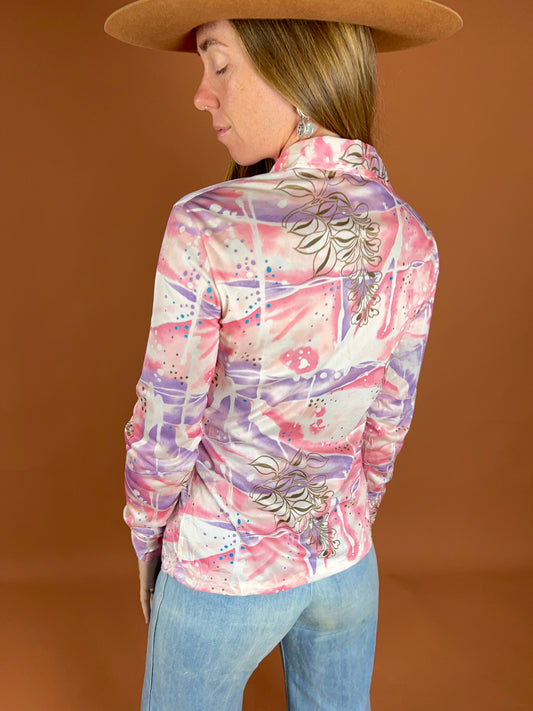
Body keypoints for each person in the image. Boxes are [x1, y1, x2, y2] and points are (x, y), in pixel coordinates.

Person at [104, 2, 462, 710]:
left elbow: (166, 426)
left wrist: (150, 541)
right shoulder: (411, 233)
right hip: (347, 567)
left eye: (219, 65)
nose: (201, 93)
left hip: (223, 571)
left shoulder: (207, 223)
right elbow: (387, 426)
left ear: (291, 69)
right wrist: (341, 524)